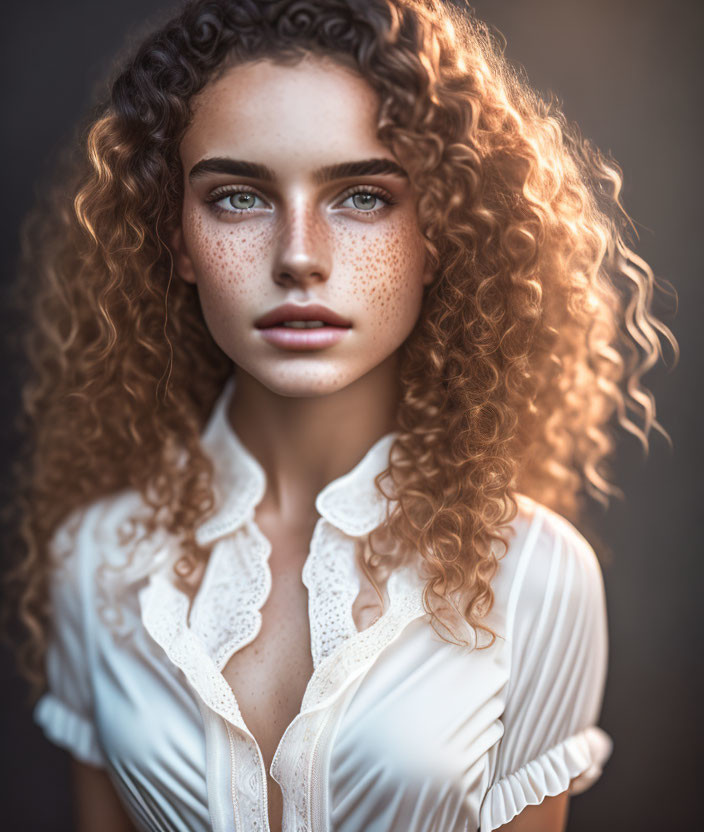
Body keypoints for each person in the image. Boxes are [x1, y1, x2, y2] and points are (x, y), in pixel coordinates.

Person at [6, 0, 677, 830]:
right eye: (238, 198)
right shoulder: (97, 563)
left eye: (360, 196)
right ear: (175, 236)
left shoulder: (536, 578)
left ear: (440, 232)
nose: (298, 256)